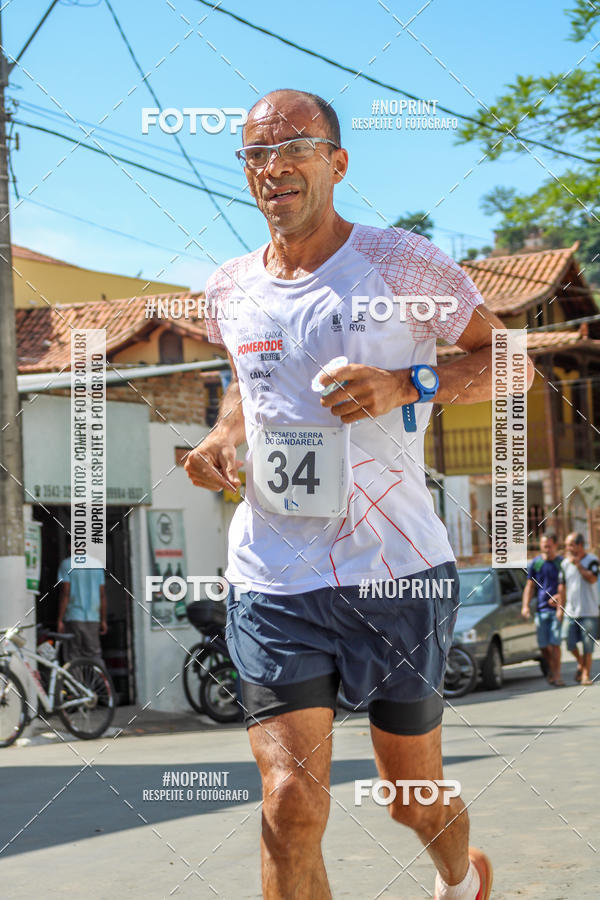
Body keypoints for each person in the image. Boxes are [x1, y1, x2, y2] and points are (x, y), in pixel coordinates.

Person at [186, 88, 533, 900]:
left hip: (395, 570)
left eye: (293, 147)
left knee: (413, 796)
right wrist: (218, 441)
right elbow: (246, 389)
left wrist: (405, 384)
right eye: (255, 154)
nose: (272, 167)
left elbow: (508, 360)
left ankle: (458, 874)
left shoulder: (401, 262)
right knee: (288, 801)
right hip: (274, 573)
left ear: (337, 162)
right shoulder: (230, 287)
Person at [521, 532, 563, 685]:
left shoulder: (561, 563)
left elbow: (567, 585)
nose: (546, 549)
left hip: (556, 610)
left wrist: (559, 597)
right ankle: (552, 670)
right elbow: (530, 586)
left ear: (555, 546)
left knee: (555, 644)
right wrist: (525, 606)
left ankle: (557, 675)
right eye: (543, 546)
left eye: (549, 546)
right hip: (540, 610)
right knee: (544, 646)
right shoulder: (536, 564)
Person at [557, 532, 599, 685]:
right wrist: (560, 608)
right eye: (567, 545)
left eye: (570, 545)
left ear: (580, 545)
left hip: (589, 611)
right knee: (568, 642)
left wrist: (579, 565)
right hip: (571, 611)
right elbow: (562, 586)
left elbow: (593, 579)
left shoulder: (592, 560)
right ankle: (580, 663)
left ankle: (586, 675)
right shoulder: (564, 564)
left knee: (588, 645)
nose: (567, 548)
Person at [56, 555, 107, 663]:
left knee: (73, 657)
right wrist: (103, 620)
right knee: (94, 656)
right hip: (93, 617)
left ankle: (76, 679)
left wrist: (60, 619)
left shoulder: (66, 564)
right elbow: (102, 594)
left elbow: (65, 592)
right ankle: (97, 678)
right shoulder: (97, 564)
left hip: (74, 616)